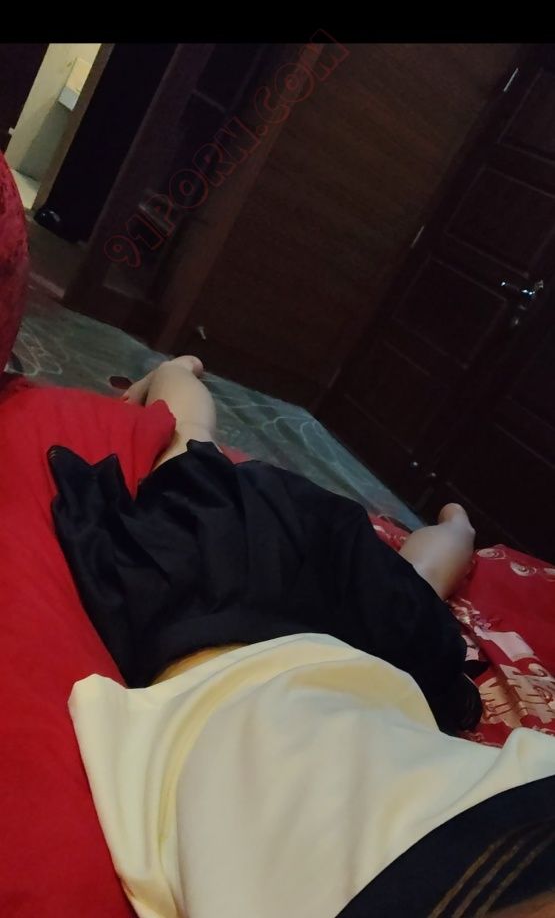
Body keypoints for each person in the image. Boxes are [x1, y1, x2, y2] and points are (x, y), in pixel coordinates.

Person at [48, 355, 555, 918]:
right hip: (326, 663)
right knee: (196, 454)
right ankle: (176, 372)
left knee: (198, 455)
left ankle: (457, 526)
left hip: (229, 638)